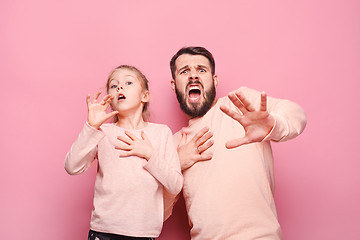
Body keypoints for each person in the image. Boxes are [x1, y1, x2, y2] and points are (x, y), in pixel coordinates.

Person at [164, 47, 307, 240]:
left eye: (201, 70)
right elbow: (158, 214)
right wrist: (175, 165)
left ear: (214, 81)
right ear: (174, 85)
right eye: (185, 71)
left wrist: (273, 124)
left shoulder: (240, 104)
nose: (193, 76)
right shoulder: (174, 143)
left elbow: (295, 113)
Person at [65, 65, 183, 240]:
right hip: (103, 231)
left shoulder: (161, 133)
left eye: (128, 82)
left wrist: (150, 154)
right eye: (114, 85)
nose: (120, 87)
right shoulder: (103, 132)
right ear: (110, 99)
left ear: (145, 96)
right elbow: (72, 167)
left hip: (143, 233)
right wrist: (91, 127)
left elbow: (175, 185)